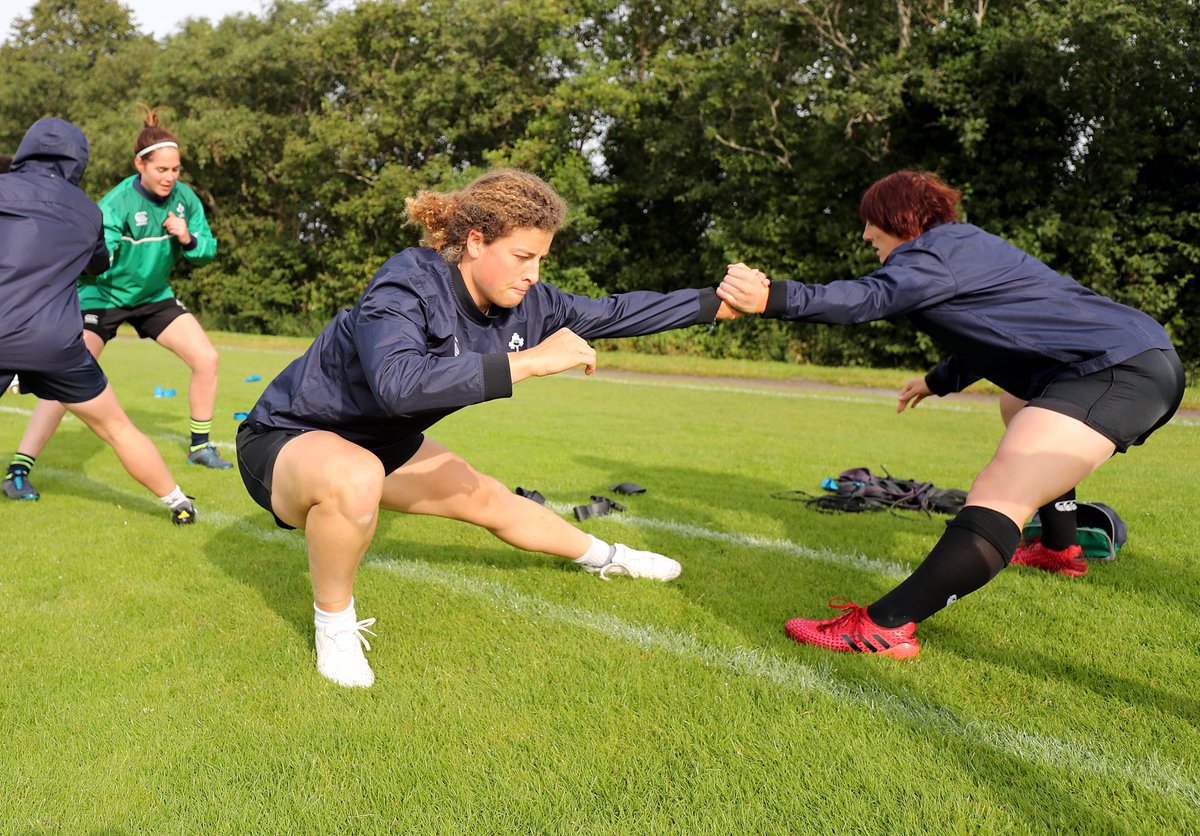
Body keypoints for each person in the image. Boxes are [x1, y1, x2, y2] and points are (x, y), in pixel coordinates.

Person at [238, 168, 734, 687]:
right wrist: (529, 363)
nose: (534, 274)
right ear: (475, 242)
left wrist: (715, 304)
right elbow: (398, 384)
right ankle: (333, 626)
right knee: (356, 476)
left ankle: (609, 557)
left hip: (384, 445)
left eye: (541, 259)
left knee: (491, 499)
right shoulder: (407, 282)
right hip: (287, 440)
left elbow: (614, 312)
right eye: (522, 257)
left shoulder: (528, 304)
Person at [717, 169, 1183, 659]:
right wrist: (935, 382)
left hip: (1118, 370)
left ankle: (885, 626)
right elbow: (994, 336)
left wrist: (771, 298)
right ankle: (1059, 548)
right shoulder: (960, 248)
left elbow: (868, 298)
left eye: (870, 221)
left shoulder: (935, 253)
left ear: (898, 216)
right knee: (1017, 403)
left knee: (1001, 490)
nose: (865, 235)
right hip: (1128, 358)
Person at [4, 104, 226, 503]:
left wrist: (188, 239)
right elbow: (92, 265)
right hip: (104, 297)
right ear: (140, 165)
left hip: (152, 297)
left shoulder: (185, 200)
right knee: (64, 381)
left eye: (176, 170)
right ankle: (21, 465)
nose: (170, 177)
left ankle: (199, 448)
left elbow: (206, 250)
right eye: (162, 170)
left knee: (206, 358)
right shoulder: (112, 204)